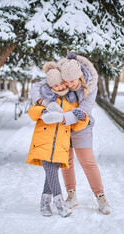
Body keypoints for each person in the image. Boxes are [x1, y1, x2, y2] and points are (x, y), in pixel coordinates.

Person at [30, 54, 110, 215]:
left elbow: (84, 110)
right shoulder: (61, 74)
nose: (69, 85)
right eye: (66, 82)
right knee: (67, 162)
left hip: (81, 126)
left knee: (88, 162)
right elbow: (37, 86)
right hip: (62, 130)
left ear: (80, 76)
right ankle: (71, 195)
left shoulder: (91, 85)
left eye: (72, 82)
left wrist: (61, 117)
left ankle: (101, 198)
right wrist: (43, 102)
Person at [26, 62, 89, 218]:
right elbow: (32, 113)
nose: (60, 87)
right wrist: (44, 111)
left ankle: (44, 203)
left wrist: (83, 118)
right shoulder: (45, 101)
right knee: (52, 171)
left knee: (50, 173)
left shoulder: (71, 102)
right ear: (50, 87)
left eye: (61, 83)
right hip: (43, 142)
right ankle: (59, 204)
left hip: (61, 145)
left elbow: (75, 123)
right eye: (55, 86)